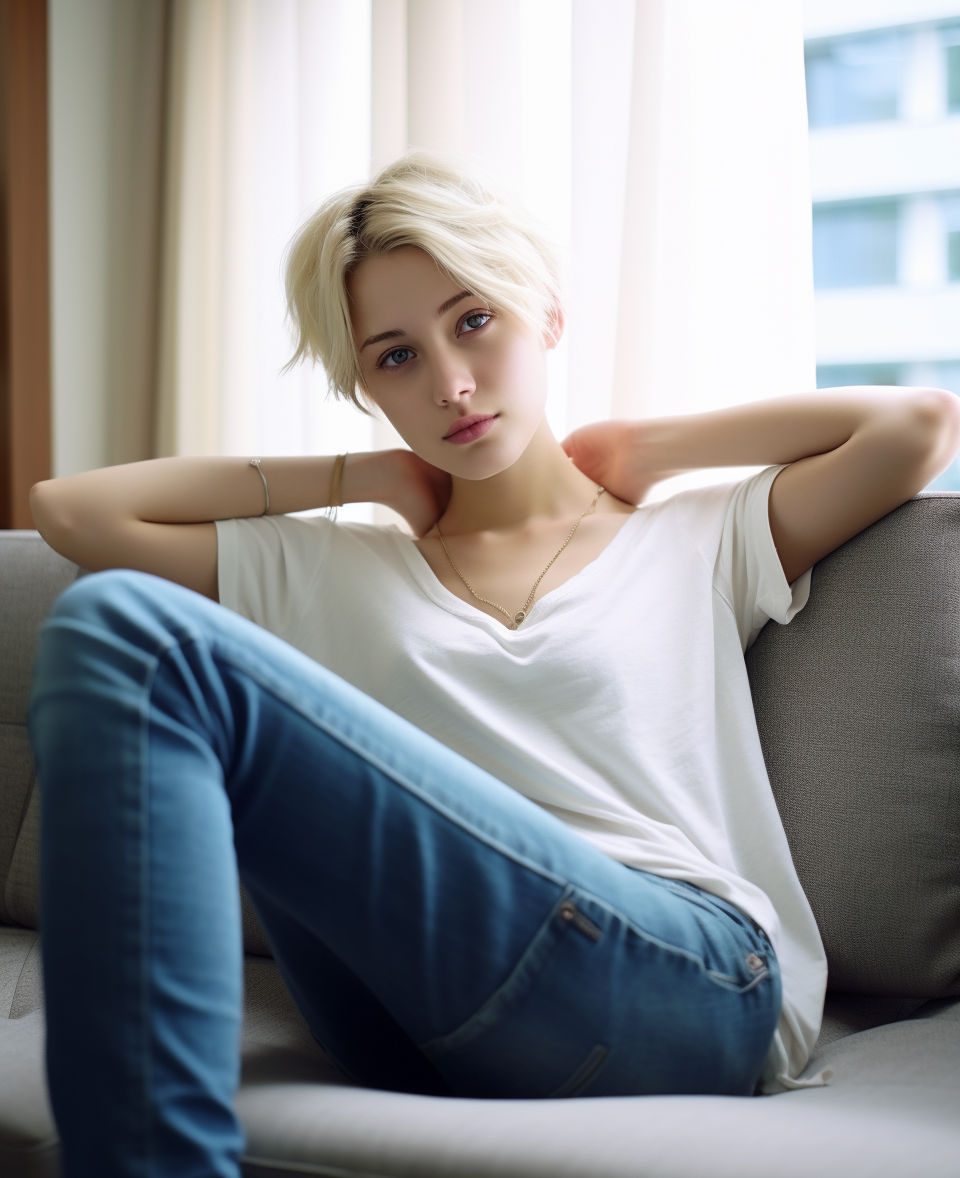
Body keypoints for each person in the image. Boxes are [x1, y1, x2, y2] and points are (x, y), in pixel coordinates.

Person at [28, 153, 960, 1178]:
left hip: (683, 980)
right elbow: (73, 511)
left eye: (474, 321)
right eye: (394, 358)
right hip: (407, 1016)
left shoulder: (696, 539)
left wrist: (644, 448)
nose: (451, 384)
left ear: (544, 317)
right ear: (363, 388)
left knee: (133, 629)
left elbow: (915, 425)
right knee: (114, 621)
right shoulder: (330, 566)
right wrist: (356, 476)